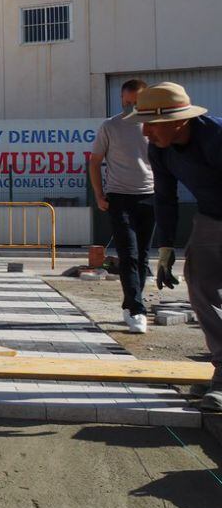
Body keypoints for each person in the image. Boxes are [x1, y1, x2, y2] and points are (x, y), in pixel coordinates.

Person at [127, 82, 222, 412]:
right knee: (199, 285)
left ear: (177, 121)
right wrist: (165, 247)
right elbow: (165, 199)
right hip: (211, 216)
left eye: (150, 124)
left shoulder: (216, 139)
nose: (145, 132)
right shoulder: (160, 149)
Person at [90, 79, 154, 333]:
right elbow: (95, 162)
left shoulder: (154, 125)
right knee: (129, 254)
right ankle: (137, 310)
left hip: (149, 196)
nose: (130, 107)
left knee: (144, 257)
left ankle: (131, 303)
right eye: (126, 102)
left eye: (135, 103)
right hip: (119, 196)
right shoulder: (110, 126)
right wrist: (99, 194)